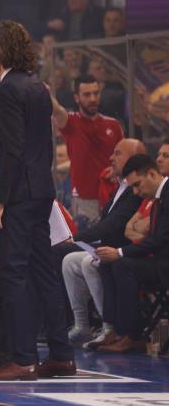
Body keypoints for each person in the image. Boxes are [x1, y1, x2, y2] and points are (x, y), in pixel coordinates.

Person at [0, 20, 75, 381]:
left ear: (3, 48)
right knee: (44, 272)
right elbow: (43, 146)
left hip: (18, 195)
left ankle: (22, 358)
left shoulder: (7, 89)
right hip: (41, 192)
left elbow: (13, 149)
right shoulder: (38, 86)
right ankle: (62, 355)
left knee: (14, 273)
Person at [57, 139, 145, 346]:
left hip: (123, 248)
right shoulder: (120, 187)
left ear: (134, 159)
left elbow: (113, 225)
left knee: (88, 261)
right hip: (108, 244)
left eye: (118, 153)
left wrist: (76, 238)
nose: (111, 158)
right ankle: (81, 325)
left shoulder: (136, 190)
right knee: (69, 260)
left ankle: (109, 327)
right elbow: (106, 222)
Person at [95, 154, 169, 353]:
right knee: (108, 263)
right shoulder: (159, 197)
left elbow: (160, 239)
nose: (136, 192)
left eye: (137, 185)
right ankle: (114, 329)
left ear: (152, 174)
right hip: (160, 259)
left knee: (122, 265)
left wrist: (120, 252)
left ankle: (131, 335)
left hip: (165, 264)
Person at [51, 75, 124, 228]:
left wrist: (116, 170)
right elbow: (57, 111)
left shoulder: (114, 125)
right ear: (76, 98)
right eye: (87, 94)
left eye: (96, 93)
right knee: (87, 240)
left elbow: (125, 157)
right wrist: (44, 92)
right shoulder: (71, 123)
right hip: (84, 199)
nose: (92, 99)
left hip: (113, 196)